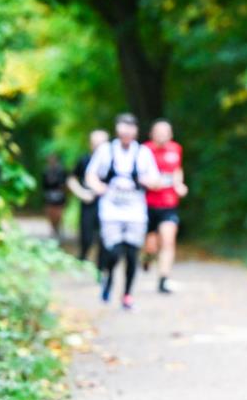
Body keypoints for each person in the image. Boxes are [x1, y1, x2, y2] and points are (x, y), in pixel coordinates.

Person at [85, 113, 162, 309]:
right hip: (111, 211)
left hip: (135, 211)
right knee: (114, 251)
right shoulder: (105, 151)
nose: (126, 131)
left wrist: (146, 181)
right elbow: (91, 174)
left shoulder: (143, 153)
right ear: (117, 129)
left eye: (130, 127)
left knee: (131, 254)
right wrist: (98, 187)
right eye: (123, 127)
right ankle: (109, 278)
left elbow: (156, 180)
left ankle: (127, 294)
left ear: (136, 130)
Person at [141, 118, 188, 294]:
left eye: (166, 132)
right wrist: (149, 182)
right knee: (151, 246)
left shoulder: (176, 149)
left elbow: (177, 170)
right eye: (158, 132)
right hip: (147, 204)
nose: (162, 135)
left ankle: (163, 280)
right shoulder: (144, 150)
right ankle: (147, 257)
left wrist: (179, 184)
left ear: (171, 134)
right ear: (152, 134)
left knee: (168, 241)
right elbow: (138, 174)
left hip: (168, 203)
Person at [67, 129, 110, 270]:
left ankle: (101, 267)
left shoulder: (113, 162)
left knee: (104, 237)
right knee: (86, 236)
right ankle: (83, 258)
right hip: (88, 203)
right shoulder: (84, 159)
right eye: (95, 143)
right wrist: (82, 193)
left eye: (101, 143)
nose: (98, 146)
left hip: (107, 204)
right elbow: (71, 179)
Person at [41, 153, 68, 241]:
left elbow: (65, 184)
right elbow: (44, 185)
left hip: (59, 195)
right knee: (51, 213)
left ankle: (58, 228)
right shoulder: (46, 171)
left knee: (59, 214)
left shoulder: (61, 170)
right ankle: (53, 229)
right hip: (49, 195)